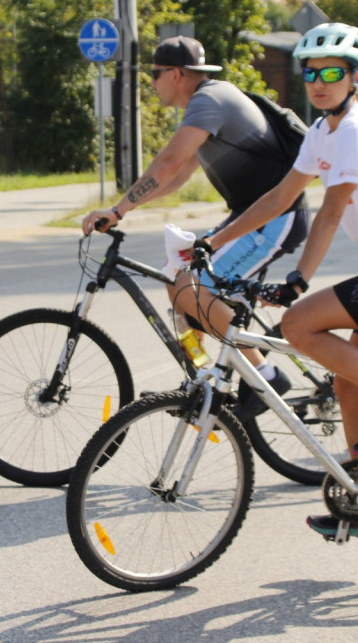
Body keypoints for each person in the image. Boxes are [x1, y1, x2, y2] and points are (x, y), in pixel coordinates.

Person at [200, 22, 358, 542]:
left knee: (298, 323)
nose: (319, 81)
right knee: (347, 384)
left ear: (355, 78)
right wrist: (214, 241)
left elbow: (333, 209)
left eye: (331, 72)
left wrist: (299, 279)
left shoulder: (357, 130)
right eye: (311, 72)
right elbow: (278, 198)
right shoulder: (322, 132)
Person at [81, 36, 311, 412]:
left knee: (193, 288)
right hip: (251, 217)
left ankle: (267, 378)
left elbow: (168, 163)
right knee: (179, 286)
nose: (151, 83)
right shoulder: (207, 102)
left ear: (175, 74)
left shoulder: (208, 100)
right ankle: (203, 374)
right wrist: (124, 210)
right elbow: (178, 175)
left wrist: (118, 211)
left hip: (274, 218)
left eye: (154, 75)